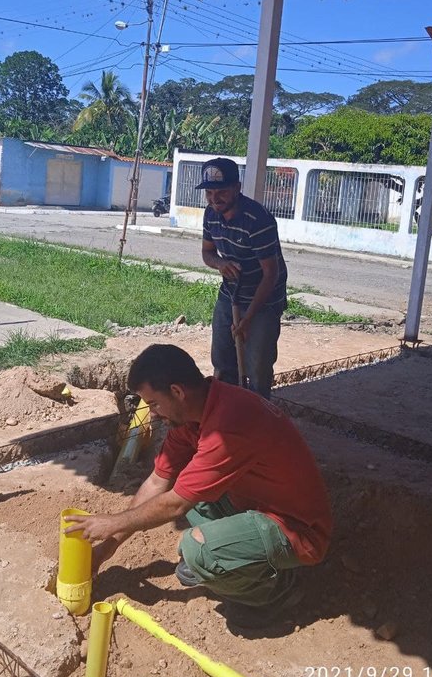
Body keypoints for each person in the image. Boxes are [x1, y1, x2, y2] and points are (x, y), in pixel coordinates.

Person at [64, 344, 332, 629]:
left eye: (153, 403)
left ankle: (279, 592)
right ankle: (241, 557)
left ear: (177, 392)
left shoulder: (228, 423)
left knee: (198, 550)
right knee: (193, 497)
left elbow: (175, 503)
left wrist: (113, 522)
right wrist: (105, 551)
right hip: (257, 505)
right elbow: (158, 482)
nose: (151, 414)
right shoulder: (190, 419)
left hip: (297, 530)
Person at [196, 156, 288, 398]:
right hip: (231, 294)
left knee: (257, 367)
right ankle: (228, 416)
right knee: (223, 361)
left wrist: (248, 319)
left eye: (222, 192)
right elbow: (207, 253)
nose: (215, 199)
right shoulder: (210, 215)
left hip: (264, 300)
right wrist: (220, 263)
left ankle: (257, 420)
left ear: (237, 188)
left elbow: (271, 274)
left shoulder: (258, 220)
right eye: (209, 194)